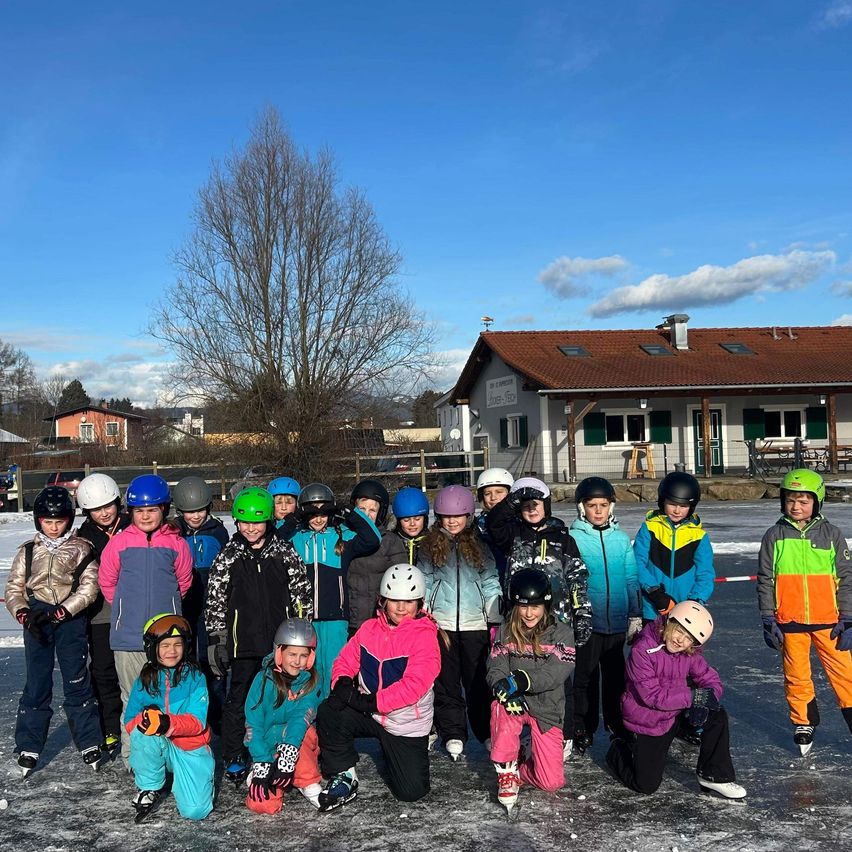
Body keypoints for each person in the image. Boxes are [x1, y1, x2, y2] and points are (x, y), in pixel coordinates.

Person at [204, 487, 312, 783]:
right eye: (245, 522)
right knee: (239, 699)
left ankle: (278, 747)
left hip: (280, 643)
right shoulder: (228, 555)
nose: (251, 528)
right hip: (243, 644)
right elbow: (215, 599)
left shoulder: (284, 551)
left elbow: (301, 591)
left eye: (258, 521)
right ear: (236, 522)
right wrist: (217, 638)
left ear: (269, 521)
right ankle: (234, 752)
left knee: (280, 697)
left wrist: (302, 630)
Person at [315, 564, 441, 810]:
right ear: (383, 601)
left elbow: (414, 686)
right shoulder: (369, 629)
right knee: (330, 710)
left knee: (411, 792)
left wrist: (370, 701)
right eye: (394, 600)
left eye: (408, 601)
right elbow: (346, 659)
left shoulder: (424, 636)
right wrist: (341, 681)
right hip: (370, 713)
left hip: (403, 723)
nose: (401, 608)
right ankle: (344, 775)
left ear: (419, 604)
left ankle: (409, 748)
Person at [486, 476, 592, 757]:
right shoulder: (513, 537)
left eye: (536, 504)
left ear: (547, 505)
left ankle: (562, 734)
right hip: (520, 621)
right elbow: (493, 524)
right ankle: (517, 734)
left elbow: (577, 580)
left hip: (556, 623)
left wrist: (581, 613)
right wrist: (511, 501)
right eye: (525, 505)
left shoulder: (564, 540)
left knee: (558, 681)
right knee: (517, 675)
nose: (531, 510)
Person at [5, 486, 104, 776]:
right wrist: (23, 613)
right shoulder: (28, 550)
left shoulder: (82, 548)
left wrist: (67, 608)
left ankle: (88, 740)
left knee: (76, 678)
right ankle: (28, 744)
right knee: (37, 681)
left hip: (69, 619)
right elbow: (14, 588)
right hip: (37, 619)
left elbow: (90, 586)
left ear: (68, 520)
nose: (53, 527)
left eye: (59, 521)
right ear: (38, 521)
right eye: (48, 522)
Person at [98, 474, 194, 767]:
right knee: (133, 697)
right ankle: (135, 757)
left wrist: (167, 616)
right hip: (129, 637)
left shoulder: (176, 544)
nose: (146, 516)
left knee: (168, 698)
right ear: (131, 513)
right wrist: (127, 610)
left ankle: (166, 758)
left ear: (164, 509)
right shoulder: (119, 544)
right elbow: (107, 582)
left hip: (167, 638)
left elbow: (184, 582)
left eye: (152, 510)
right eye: (139, 511)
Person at [605, 601, 746, 799]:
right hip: (650, 720)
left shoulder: (688, 653)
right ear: (669, 623)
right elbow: (653, 697)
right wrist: (693, 697)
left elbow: (710, 679)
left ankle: (713, 775)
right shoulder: (643, 649)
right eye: (679, 631)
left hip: (676, 713)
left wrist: (705, 701)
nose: (681, 641)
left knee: (717, 715)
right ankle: (618, 748)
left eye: (689, 639)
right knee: (646, 785)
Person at [757, 469, 852, 756]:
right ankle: (803, 722)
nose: (796, 507)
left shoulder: (832, 535)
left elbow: (846, 578)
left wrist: (847, 617)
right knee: (796, 675)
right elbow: (765, 579)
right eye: (790, 500)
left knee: (845, 675)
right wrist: (767, 617)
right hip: (790, 620)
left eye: (803, 501)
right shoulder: (774, 536)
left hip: (829, 622)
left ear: (817, 501)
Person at [418, 485, 502, 761]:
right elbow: (426, 581)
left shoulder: (479, 545)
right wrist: (425, 613)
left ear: (468, 515)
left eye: (458, 516)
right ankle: (453, 731)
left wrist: (495, 612)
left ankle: (485, 730)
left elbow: (490, 581)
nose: (452, 522)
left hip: (474, 623)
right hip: (442, 625)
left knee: (477, 680)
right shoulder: (430, 547)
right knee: (447, 681)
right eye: (445, 517)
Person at [487, 568, 576, 811]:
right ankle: (506, 769)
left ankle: (522, 764)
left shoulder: (563, 634)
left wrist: (522, 681)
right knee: (501, 707)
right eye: (523, 606)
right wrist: (502, 686)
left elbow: (555, 673)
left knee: (552, 782)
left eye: (535, 606)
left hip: (547, 707)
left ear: (546, 605)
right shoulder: (505, 631)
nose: (529, 613)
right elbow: (496, 666)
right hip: (514, 703)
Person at [282, 483, 381, 698]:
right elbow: (275, 540)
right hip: (305, 618)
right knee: (308, 669)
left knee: (335, 667)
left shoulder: (342, 537)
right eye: (312, 514)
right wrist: (294, 518)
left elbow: (373, 539)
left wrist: (350, 513)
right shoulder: (296, 538)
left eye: (324, 514)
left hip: (337, 617)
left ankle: (332, 714)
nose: (318, 519)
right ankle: (308, 717)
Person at [569, 477, 642, 753]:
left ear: (611, 507)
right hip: (589, 623)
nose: (598, 511)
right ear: (581, 508)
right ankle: (582, 726)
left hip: (617, 623)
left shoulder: (621, 539)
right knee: (585, 678)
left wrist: (635, 614)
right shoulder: (574, 538)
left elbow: (632, 578)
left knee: (615, 678)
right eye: (592, 505)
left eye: (603, 505)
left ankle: (616, 723)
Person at [125, 613, 214, 821]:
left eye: (177, 644)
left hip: (189, 746)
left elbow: (197, 722)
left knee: (195, 811)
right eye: (165, 645)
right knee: (142, 733)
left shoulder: (196, 678)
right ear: (152, 648)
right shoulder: (145, 680)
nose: (172, 651)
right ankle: (149, 786)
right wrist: (147, 720)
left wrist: (167, 722)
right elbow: (130, 721)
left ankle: (192, 780)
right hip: (160, 746)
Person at [244, 618, 324, 813]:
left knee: (305, 732)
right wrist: (262, 760)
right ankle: (262, 770)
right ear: (279, 653)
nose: (297, 661)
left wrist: (288, 756)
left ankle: (306, 780)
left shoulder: (312, 682)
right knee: (262, 804)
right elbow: (253, 723)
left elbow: (300, 717)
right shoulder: (263, 680)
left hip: (295, 743)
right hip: (267, 747)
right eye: (292, 654)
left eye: (303, 655)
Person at [76, 472, 130, 757]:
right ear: (87, 511)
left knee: (135, 668)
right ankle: (109, 725)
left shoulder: (133, 525)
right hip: (101, 612)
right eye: (97, 508)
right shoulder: (83, 537)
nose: (105, 512)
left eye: (108, 505)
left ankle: (135, 722)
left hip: (134, 608)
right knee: (104, 669)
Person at [173, 476, 229, 731]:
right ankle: (187, 709)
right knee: (186, 658)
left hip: (211, 606)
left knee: (213, 658)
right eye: (188, 512)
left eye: (199, 511)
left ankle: (216, 711)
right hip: (184, 605)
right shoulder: (174, 532)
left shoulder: (218, 532)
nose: (194, 517)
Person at [633, 472, 715, 621]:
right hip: (652, 608)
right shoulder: (650, 529)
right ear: (662, 501)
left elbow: (705, 574)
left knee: (679, 644)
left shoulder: (699, 536)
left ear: (691, 507)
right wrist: (654, 592)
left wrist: (695, 601)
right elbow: (637, 563)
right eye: (672, 504)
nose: (677, 510)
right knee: (649, 644)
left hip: (684, 612)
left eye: (683, 506)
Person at [347, 479, 407, 636]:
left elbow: (400, 579)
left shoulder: (390, 542)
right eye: (361, 509)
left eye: (372, 510)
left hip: (379, 619)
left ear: (380, 512)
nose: (366, 515)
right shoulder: (346, 538)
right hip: (350, 618)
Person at [474, 467, 514, 589]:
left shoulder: (517, 523)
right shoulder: (477, 526)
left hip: (513, 582)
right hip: (487, 583)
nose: (493, 497)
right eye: (487, 493)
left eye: (499, 492)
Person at [390, 487, 430, 565]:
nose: (412, 524)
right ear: (399, 521)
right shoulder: (391, 544)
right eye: (406, 520)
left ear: (425, 519)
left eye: (417, 519)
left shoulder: (432, 542)